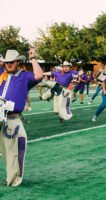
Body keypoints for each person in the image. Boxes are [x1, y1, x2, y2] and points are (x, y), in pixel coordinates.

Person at [0, 49, 43, 186]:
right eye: (7, 62)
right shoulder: (1, 73)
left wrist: (33, 58)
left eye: (11, 62)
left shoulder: (24, 76)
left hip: (12, 119)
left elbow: (39, 76)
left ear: (17, 62)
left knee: (14, 150)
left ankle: (13, 178)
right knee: (5, 150)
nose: (9, 64)